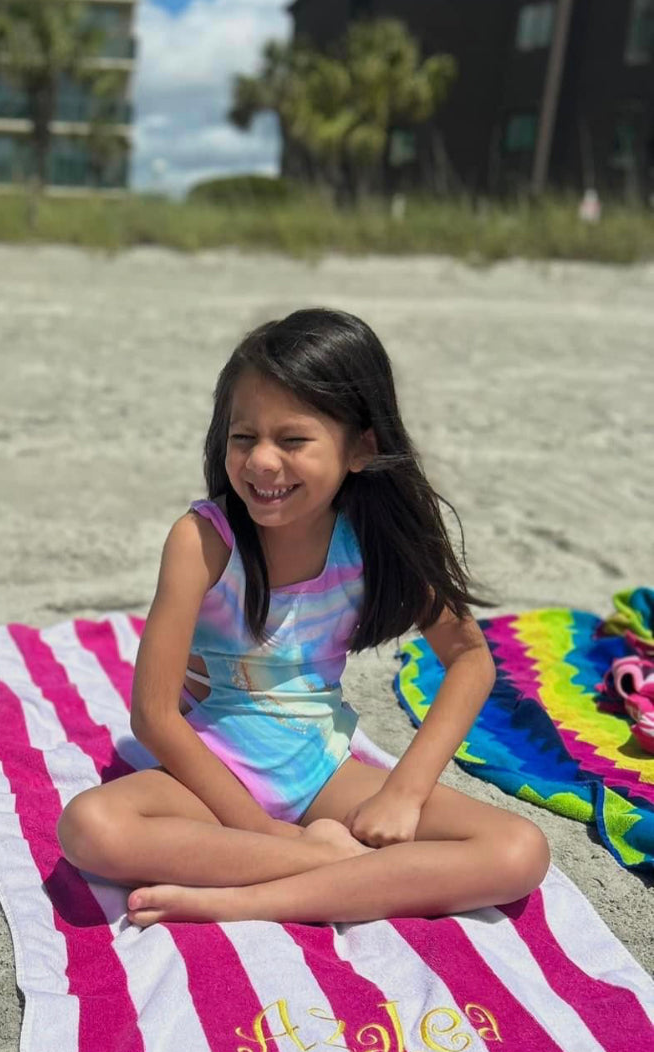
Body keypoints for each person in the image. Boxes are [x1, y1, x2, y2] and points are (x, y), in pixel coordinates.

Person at [57, 308, 550, 926]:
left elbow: (470, 660)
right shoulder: (202, 541)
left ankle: (249, 898)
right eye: (244, 437)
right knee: (90, 827)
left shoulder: (373, 541)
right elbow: (153, 718)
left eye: (292, 441)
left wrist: (404, 791)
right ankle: (332, 874)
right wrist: (274, 835)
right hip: (211, 772)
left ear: (362, 448)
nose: (262, 462)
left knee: (518, 851)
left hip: (324, 770)